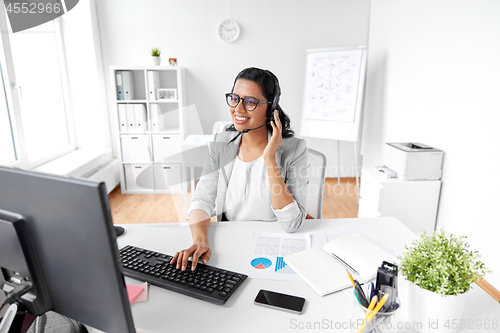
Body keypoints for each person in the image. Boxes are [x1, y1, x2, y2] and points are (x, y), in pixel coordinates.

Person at [171, 67, 308, 271]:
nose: (238, 109)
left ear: (271, 108)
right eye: (235, 98)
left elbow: (291, 224)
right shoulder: (221, 143)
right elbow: (202, 199)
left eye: (251, 102)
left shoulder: (294, 149)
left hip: (275, 245)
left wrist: (269, 159)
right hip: (230, 244)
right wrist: (200, 240)